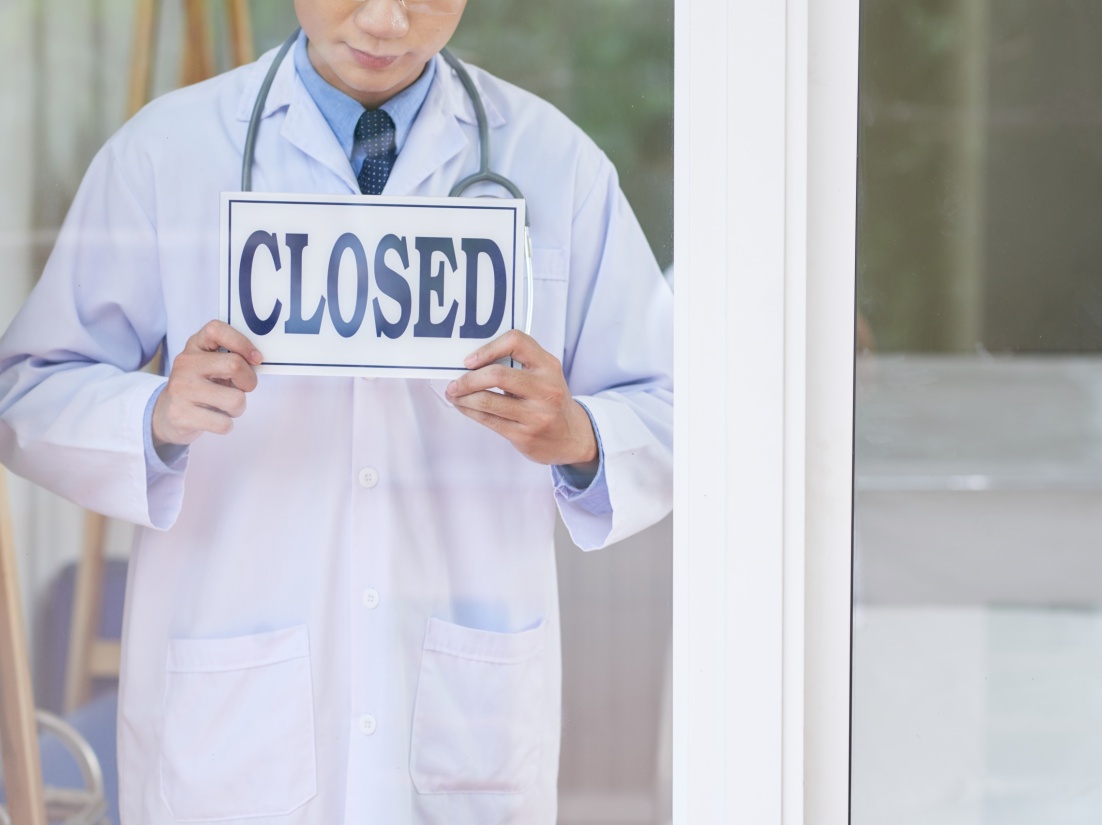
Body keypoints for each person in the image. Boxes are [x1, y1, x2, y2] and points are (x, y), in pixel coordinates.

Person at [0, 0, 673, 822]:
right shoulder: (165, 154)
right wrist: (156, 416)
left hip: (464, 719)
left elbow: (675, 408)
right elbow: (27, 389)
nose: (387, 22)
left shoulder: (556, 165)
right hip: (238, 731)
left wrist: (581, 435)